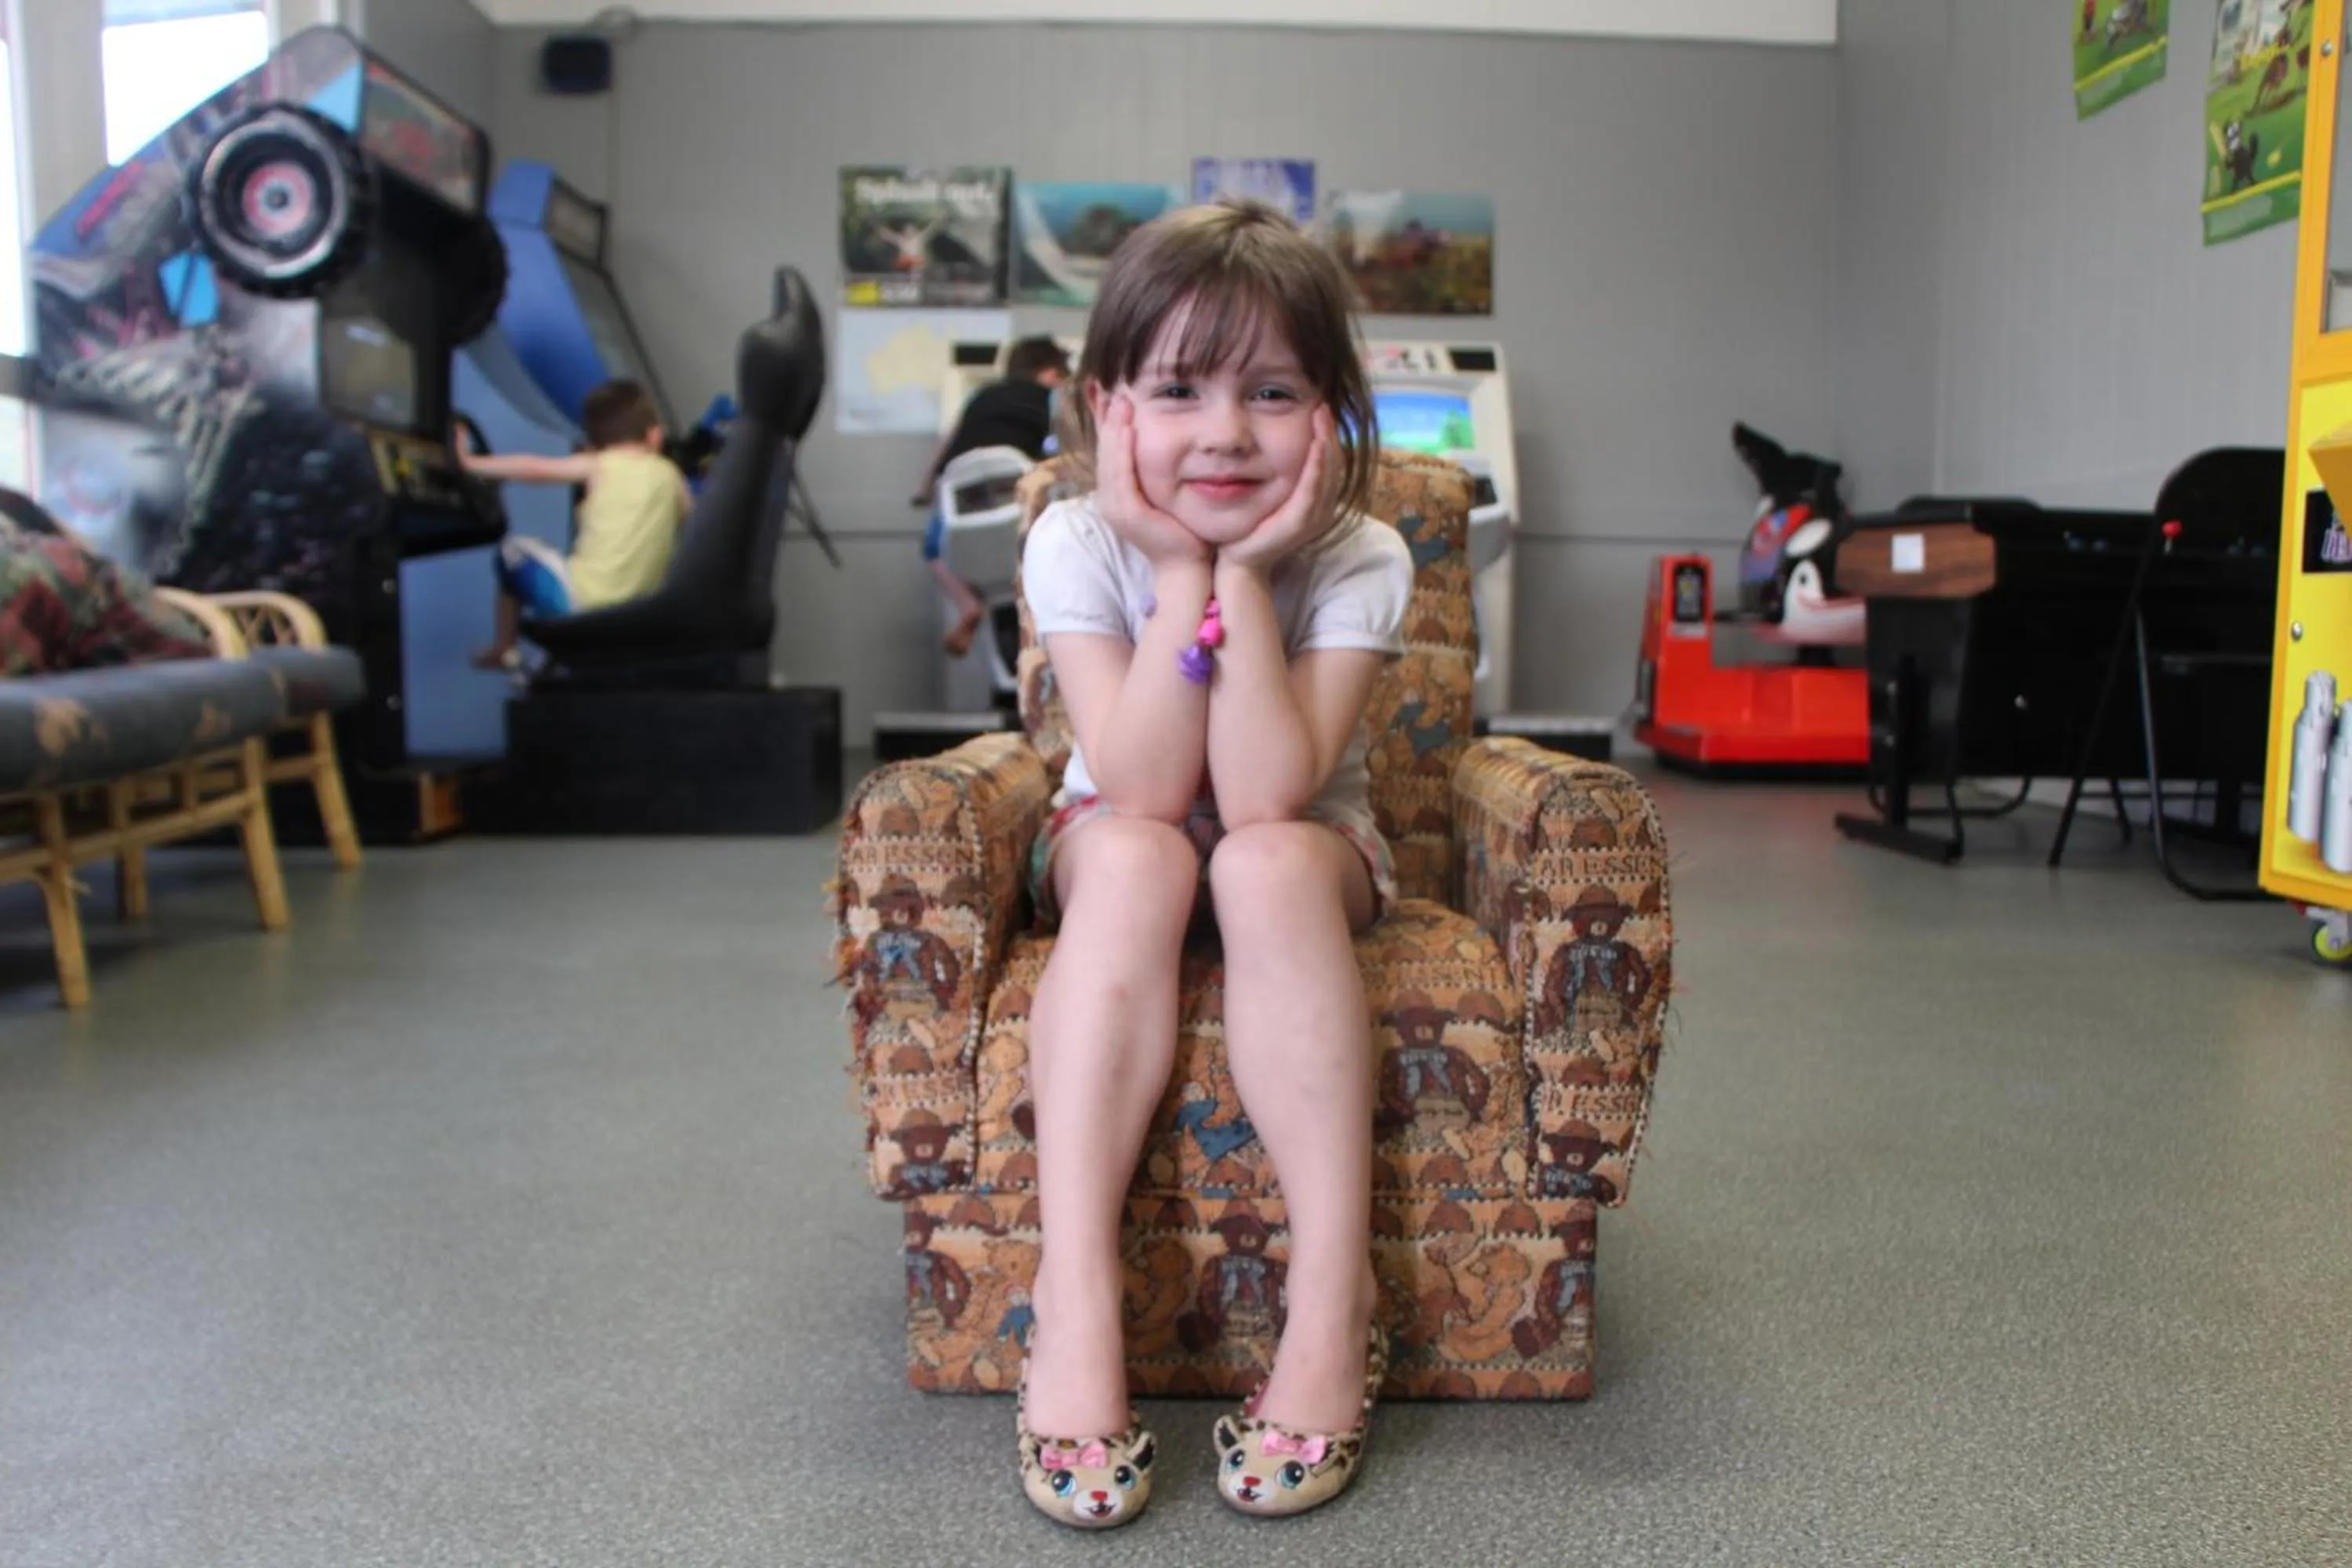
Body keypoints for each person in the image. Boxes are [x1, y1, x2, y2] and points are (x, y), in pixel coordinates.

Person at [1010, 200, 1411, 1527]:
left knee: (1265, 863)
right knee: (1138, 857)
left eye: (1274, 392)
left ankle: (1334, 1302)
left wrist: (1244, 575)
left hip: (1300, 843)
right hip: (1120, 835)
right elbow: (1139, 785)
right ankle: (1074, 1299)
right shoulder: (1076, 539)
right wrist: (1178, 565)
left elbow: (1263, 793)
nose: (1228, 432)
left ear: (1331, 414)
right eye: (1179, 389)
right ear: (1108, 406)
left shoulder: (1360, 554)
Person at [458, 379, 691, 671]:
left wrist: (468, 463)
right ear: (655, 435)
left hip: (581, 602)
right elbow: (697, 528)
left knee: (511, 552)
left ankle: (505, 648)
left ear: (591, 445)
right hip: (638, 617)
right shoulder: (673, 477)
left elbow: (532, 468)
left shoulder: (599, 463)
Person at [912, 336, 1069, 657]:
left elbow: (947, 441)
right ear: (1051, 373)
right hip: (1016, 493)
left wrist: (924, 489)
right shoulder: (1050, 398)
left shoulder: (981, 395)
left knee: (933, 549)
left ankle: (967, 602)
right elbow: (1063, 444)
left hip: (961, 493)